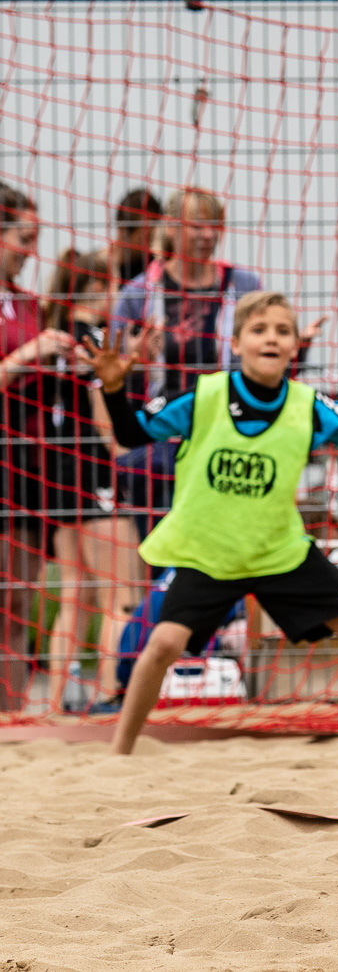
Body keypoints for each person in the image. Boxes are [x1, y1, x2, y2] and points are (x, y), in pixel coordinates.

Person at [90, 291, 338, 752]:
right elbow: (130, 434)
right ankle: (122, 751)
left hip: (277, 551)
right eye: (259, 329)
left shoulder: (309, 404)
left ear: (294, 346)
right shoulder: (204, 396)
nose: (271, 338)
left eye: (283, 331)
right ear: (236, 343)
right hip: (210, 554)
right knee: (163, 644)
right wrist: (113, 389)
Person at [110, 187, 269, 528]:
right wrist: (134, 359)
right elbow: (107, 376)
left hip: (228, 436)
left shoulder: (243, 285)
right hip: (160, 444)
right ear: (170, 226)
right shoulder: (138, 294)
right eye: (196, 226)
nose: (207, 235)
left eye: (214, 226)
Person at [40, 248, 145, 712]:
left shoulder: (58, 335)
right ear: (98, 286)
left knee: (74, 596)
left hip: (58, 474)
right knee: (117, 596)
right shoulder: (97, 338)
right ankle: (108, 698)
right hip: (97, 472)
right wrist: (125, 453)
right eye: (113, 285)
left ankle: (53, 706)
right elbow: (104, 414)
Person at [0, 184, 74, 711]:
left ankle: (12, 713)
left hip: (25, 463)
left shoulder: (27, 302)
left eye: (36, 238)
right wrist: (27, 355)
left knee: (19, 602)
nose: (31, 249)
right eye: (24, 237)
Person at [106, 188, 164, 284]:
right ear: (122, 229)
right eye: (147, 236)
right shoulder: (100, 266)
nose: (153, 239)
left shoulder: (156, 266)